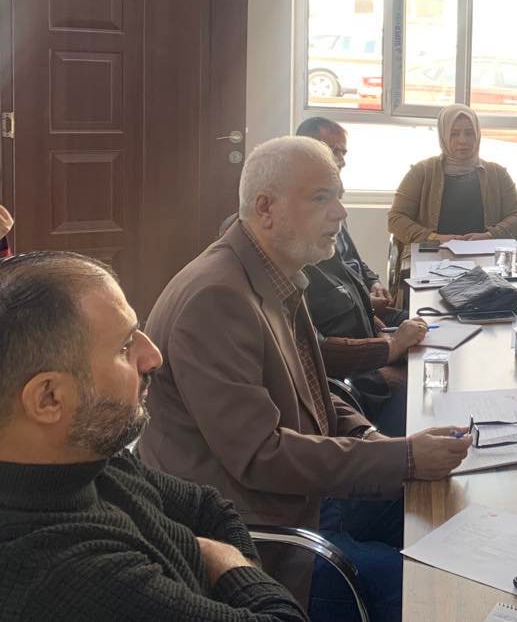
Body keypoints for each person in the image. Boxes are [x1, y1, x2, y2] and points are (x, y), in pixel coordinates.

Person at [141, 136, 471, 622]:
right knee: (430, 586)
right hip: (260, 535)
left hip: (304, 494)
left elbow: (315, 390)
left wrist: (370, 436)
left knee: (447, 510)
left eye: (339, 195)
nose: (341, 212)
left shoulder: (272, 274)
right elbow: (261, 456)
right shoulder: (217, 299)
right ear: (266, 208)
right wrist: (401, 456)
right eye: (321, 198)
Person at [0, 251, 306, 620]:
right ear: (48, 398)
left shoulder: (88, 457)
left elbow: (209, 507)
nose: (153, 356)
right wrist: (224, 561)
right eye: (125, 347)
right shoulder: (69, 573)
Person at [296, 118, 426, 436]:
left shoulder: (329, 210)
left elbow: (352, 263)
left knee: (433, 338)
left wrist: (371, 287)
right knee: (425, 386)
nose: (340, 159)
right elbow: (317, 353)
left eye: (343, 152)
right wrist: (388, 349)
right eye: (333, 151)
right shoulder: (293, 256)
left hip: (365, 333)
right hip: (354, 373)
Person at [388, 104, 517, 249]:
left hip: (484, 253)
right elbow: (395, 219)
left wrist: (490, 236)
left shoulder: (497, 173)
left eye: (469, 133)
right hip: (433, 253)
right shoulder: (422, 172)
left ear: (477, 134)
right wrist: (435, 238)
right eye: (454, 134)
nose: (462, 140)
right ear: (443, 135)